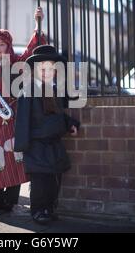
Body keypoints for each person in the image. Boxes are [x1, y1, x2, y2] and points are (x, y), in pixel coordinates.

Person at [0, 7, 47, 213]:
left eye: (2, 44)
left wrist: (37, 24)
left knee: (13, 158)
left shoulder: (16, 64)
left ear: (8, 46)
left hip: (13, 120)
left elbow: (32, 50)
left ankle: (9, 200)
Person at [14, 44, 80, 225]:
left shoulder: (55, 90)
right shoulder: (27, 90)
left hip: (53, 144)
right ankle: (37, 210)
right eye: (42, 68)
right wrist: (21, 146)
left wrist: (70, 124)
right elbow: (22, 120)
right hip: (35, 144)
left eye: (50, 68)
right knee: (40, 182)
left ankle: (49, 208)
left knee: (53, 179)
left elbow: (59, 115)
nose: (46, 71)